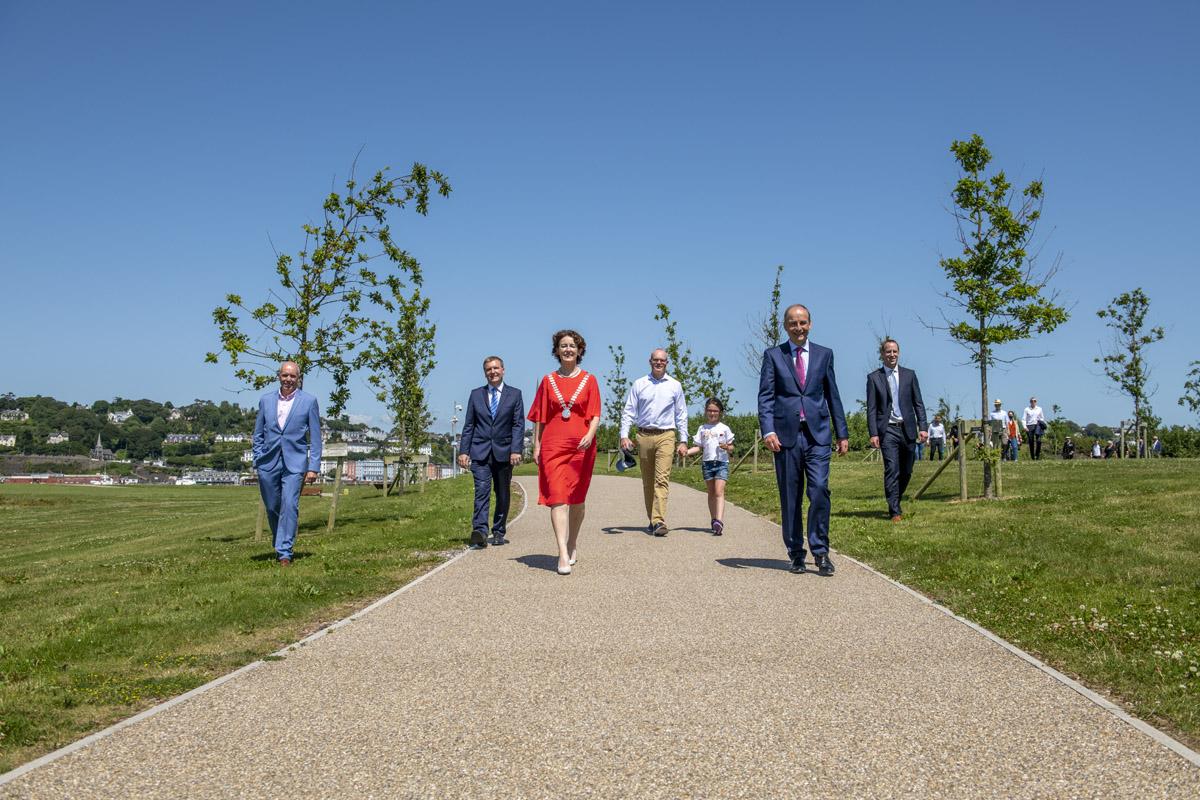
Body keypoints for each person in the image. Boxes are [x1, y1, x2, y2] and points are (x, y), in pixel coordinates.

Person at [758, 304, 849, 577]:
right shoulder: (773, 355)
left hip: (817, 435)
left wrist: (842, 432)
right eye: (793, 323)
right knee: (791, 497)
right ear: (786, 326)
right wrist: (768, 430)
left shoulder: (824, 355)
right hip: (785, 436)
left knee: (819, 489)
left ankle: (820, 552)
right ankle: (796, 552)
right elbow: (765, 397)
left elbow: (833, 394)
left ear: (810, 324)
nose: (798, 328)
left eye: (803, 323)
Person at [528, 330, 601, 575]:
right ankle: (561, 552)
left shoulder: (589, 380)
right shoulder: (548, 381)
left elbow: (595, 414)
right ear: (557, 351)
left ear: (580, 351)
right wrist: (536, 445)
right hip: (553, 445)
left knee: (577, 499)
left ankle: (572, 542)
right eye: (563, 345)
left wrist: (590, 435)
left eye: (572, 345)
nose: (568, 349)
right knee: (558, 497)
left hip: (581, 446)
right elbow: (539, 416)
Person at [252, 361, 322, 566]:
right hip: (268, 461)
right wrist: (258, 457)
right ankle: (279, 541)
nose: (288, 380)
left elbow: (316, 438)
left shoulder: (309, 401)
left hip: (295, 462)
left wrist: (313, 467)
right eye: (285, 376)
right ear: (279, 377)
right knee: (272, 506)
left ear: (298, 378)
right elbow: (258, 433)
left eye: (293, 376)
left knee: (290, 505)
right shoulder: (265, 401)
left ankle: (285, 552)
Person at [619, 348, 689, 537]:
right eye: (655, 360)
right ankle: (652, 519)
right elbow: (629, 411)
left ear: (667, 363)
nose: (659, 363)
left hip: (666, 435)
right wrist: (624, 435)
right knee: (648, 481)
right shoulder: (639, 384)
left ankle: (659, 520)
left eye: (662, 360)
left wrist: (683, 440)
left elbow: (681, 414)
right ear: (650, 361)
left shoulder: (675, 385)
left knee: (661, 479)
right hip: (644, 436)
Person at [457, 356, 525, 550]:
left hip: (505, 453)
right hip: (480, 453)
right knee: (482, 491)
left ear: (503, 370)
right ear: (485, 372)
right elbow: (469, 425)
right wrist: (464, 451)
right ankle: (479, 531)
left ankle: (498, 531)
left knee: (502, 493)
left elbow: (518, 424)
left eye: (496, 368)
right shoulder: (476, 394)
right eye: (488, 369)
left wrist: (516, 450)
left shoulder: (515, 394)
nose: (492, 372)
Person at [865, 338, 927, 522]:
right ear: (882, 355)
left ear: (898, 353)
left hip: (907, 429)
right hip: (887, 430)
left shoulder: (910, 375)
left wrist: (923, 427)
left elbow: (918, 403)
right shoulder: (874, 378)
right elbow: (872, 409)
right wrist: (873, 433)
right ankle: (894, 511)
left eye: (894, 351)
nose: (891, 355)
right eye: (888, 352)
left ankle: (895, 500)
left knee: (907, 470)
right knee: (892, 469)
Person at [685, 397, 735, 535]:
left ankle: (719, 520)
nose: (712, 413)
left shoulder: (724, 428)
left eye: (715, 411)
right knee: (711, 492)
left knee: (719, 491)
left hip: (721, 463)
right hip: (707, 464)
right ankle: (714, 520)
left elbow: (732, 447)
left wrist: (726, 447)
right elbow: (698, 448)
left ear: (720, 412)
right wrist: (686, 452)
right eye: (709, 410)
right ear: (706, 411)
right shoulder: (702, 428)